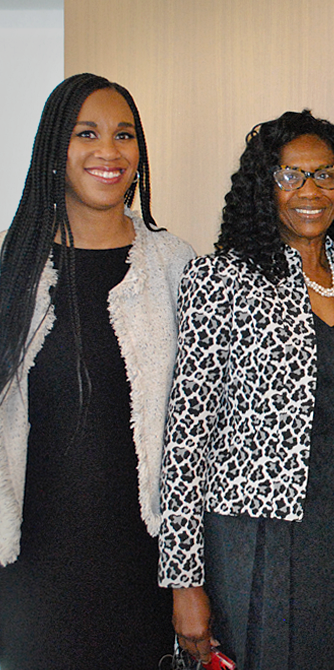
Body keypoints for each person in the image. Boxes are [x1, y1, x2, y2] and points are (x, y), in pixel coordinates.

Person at [157, 110, 334, 670]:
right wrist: (184, 580)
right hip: (249, 537)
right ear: (265, 187)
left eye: (325, 174)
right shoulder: (221, 280)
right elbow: (187, 437)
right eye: (289, 176)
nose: (310, 191)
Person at [0, 73, 195, 668]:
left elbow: (201, 434)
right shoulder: (13, 271)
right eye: (87, 133)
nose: (109, 151)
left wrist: (192, 575)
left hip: (145, 567)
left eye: (125, 135)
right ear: (54, 150)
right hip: (31, 574)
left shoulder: (177, 268)